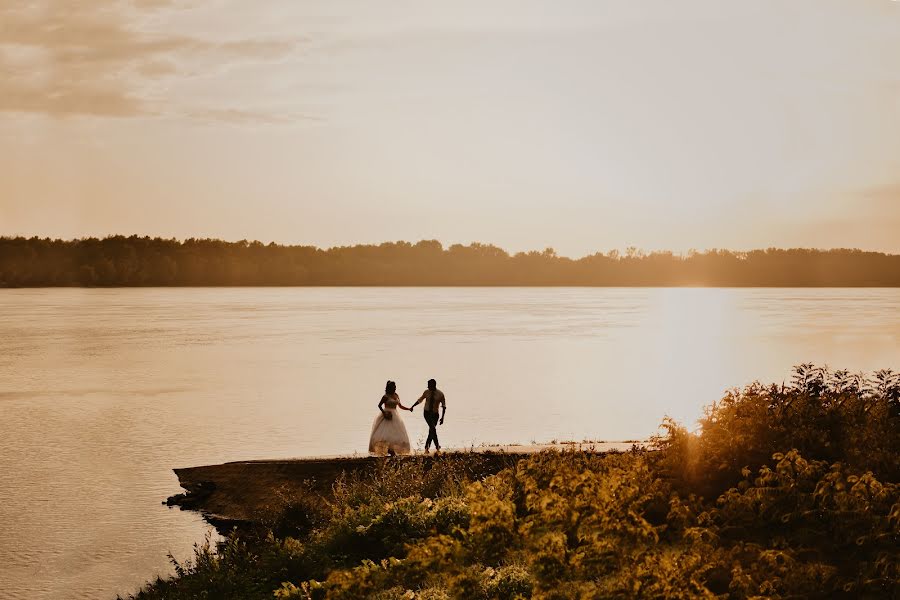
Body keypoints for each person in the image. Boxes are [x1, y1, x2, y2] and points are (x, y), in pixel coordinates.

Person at [369, 380, 413, 456]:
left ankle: (391, 450)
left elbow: (400, 406)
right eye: (393, 387)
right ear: (389, 388)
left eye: (395, 387)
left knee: (396, 434)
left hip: (395, 415)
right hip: (387, 414)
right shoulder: (385, 396)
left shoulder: (396, 395)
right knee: (385, 433)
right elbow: (379, 405)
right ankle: (389, 450)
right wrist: (384, 413)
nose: (395, 388)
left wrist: (408, 409)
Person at [411, 378, 446, 453]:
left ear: (434, 385)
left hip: (435, 414)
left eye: (429, 386)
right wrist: (413, 406)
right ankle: (437, 447)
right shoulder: (426, 392)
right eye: (428, 386)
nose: (428, 387)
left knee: (431, 431)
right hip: (427, 413)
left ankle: (426, 448)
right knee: (433, 429)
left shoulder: (440, 394)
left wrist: (442, 418)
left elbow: (444, 406)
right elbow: (420, 400)